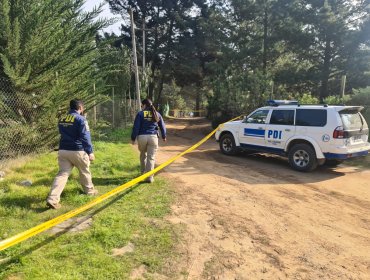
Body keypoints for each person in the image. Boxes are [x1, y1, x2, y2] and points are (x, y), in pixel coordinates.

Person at [46, 99, 98, 209]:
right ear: (80, 108)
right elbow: (85, 137)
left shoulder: (62, 119)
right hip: (78, 150)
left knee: (62, 174)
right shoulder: (81, 119)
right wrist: (90, 152)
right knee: (84, 171)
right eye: (82, 108)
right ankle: (89, 191)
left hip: (63, 150)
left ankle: (52, 198)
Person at [131, 99, 167, 183]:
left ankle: (143, 174)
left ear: (144, 105)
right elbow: (162, 126)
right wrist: (164, 136)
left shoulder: (140, 114)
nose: (141, 107)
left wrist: (133, 138)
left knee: (143, 155)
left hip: (142, 137)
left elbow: (136, 127)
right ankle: (149, 177)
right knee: (151, 157)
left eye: (141, 105)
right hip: (153, 138)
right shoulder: (157, 114)